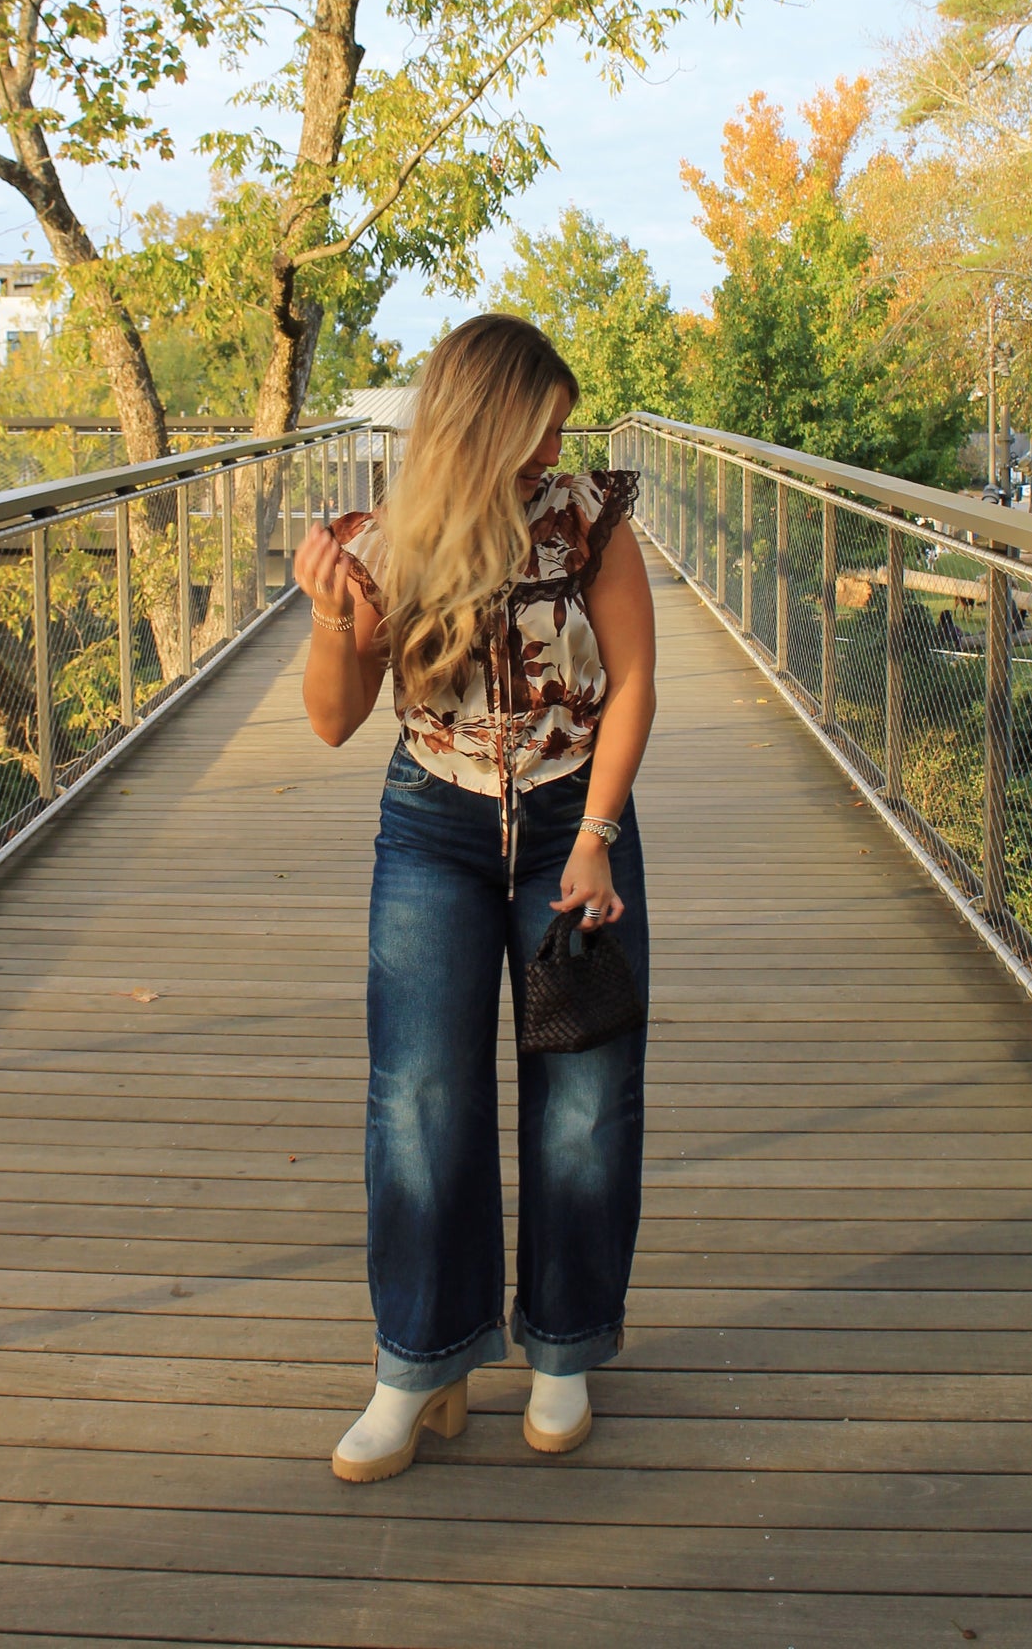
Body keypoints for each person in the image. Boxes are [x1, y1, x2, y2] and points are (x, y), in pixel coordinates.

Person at [293, 313, 657, 1483]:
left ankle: (562, 1347)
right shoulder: (379, 541)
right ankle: (419, 1360)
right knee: (417, 1096)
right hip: (433, 823)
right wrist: (326, 616)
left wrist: (596, 835)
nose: (556, 445)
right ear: (484, 423)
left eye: (561, 426)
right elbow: (333, 717)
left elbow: (635, 678)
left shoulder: (587, 517)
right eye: (540, 426)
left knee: (584, 1095)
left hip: (572, 818)